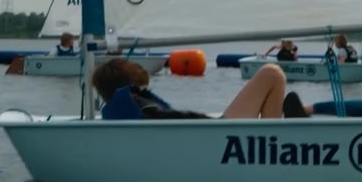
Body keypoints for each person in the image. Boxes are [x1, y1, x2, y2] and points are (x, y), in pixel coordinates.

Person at [93, 57, 288, 120]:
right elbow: (168, 117)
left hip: (217, 135)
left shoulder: (126, 106)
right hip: (218, 135)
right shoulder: (137, 101)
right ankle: (277, 144)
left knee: (272, 76)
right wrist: (208, 121)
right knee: (271, 73)